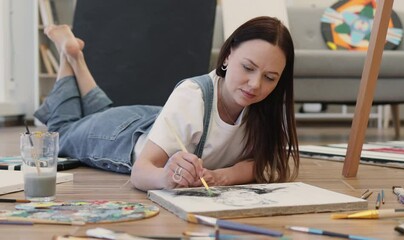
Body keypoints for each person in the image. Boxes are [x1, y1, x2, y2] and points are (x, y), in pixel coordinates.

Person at [35, 16, 299, 191]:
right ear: (228, 55)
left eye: (270, 77)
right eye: (248, 68)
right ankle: (65, 54)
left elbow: (267, 163)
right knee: (61, 131)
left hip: (150, 118)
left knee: (102, 113)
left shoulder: (267, 105)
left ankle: (76, 57)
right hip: (123, 139)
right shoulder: (193, 95)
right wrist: (166, 177)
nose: (255, 84)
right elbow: (141, 172)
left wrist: (224, 176)